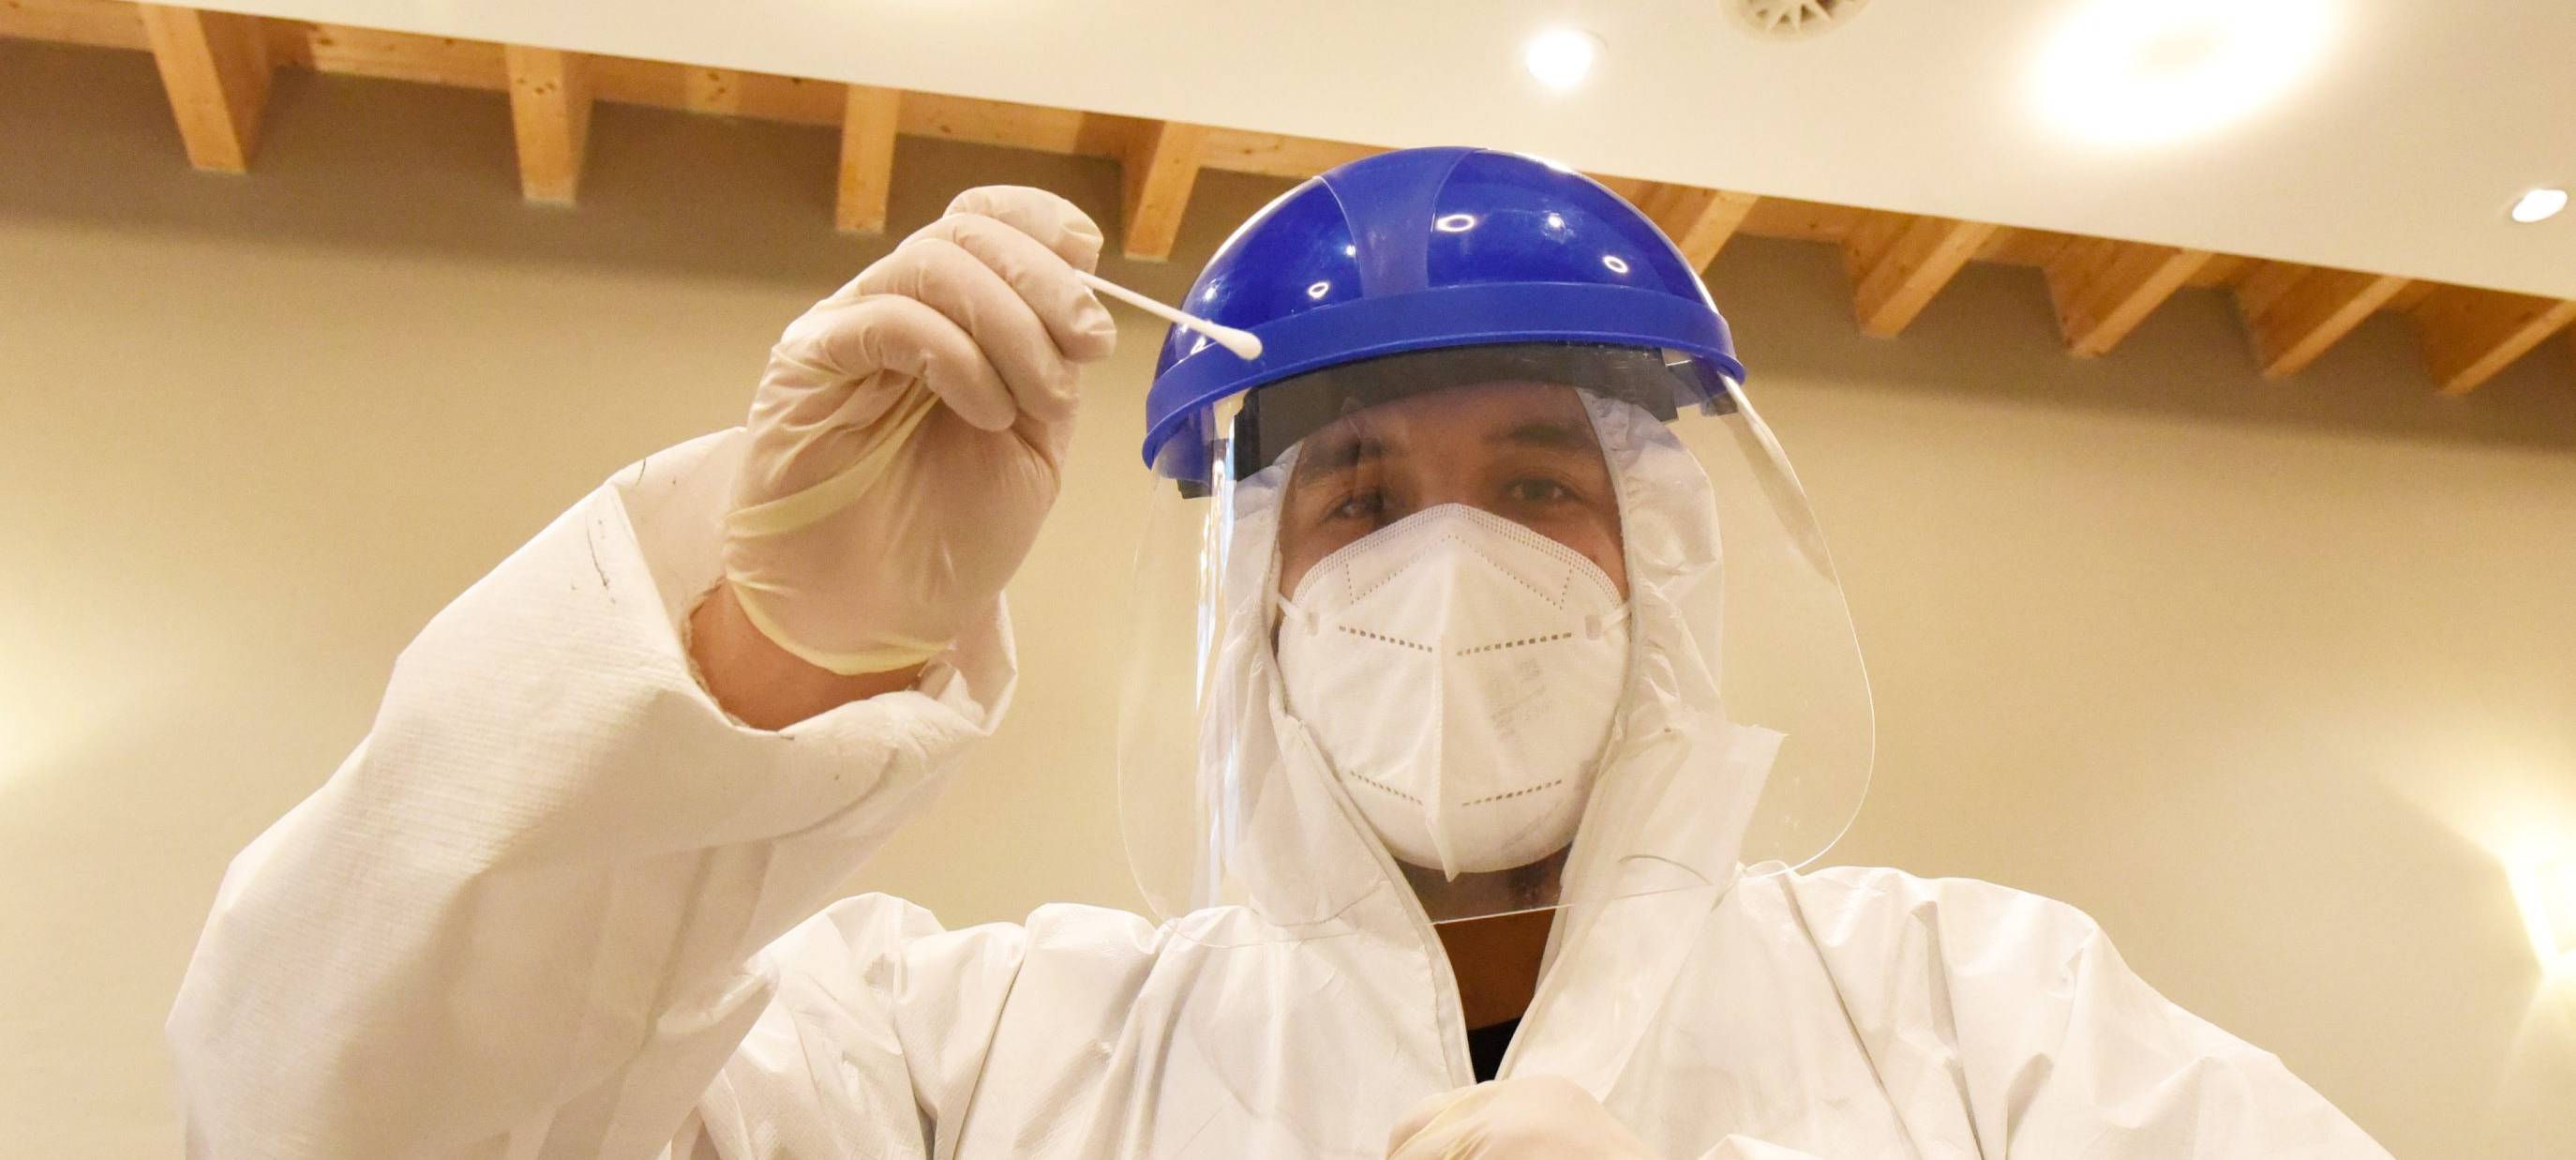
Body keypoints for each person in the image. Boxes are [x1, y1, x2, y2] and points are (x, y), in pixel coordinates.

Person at [168, 148, 2387, 1157]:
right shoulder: (981, 1058)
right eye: (1350, 496)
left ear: (1671, 572)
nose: (1443, 562)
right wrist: (761, 654)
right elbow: (340, 1125)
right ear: (1256, 606)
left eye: (1535, 483)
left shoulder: (1987, 1024)